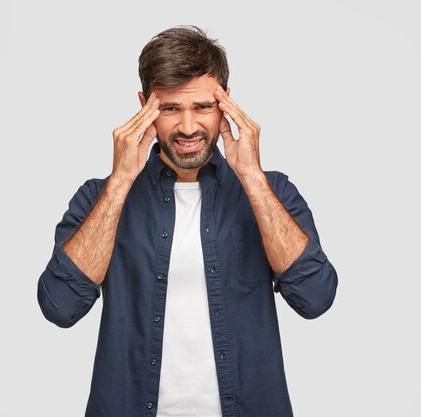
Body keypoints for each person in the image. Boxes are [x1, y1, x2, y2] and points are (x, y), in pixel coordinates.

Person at [37, 26, 338, 417]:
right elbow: (60, 306)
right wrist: (121, 180)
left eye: (203, 107)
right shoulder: (100, 198)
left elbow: (315, 298)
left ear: (226, 103)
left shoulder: (272, 192)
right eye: (169, 109)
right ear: (144, 106)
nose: (188, 127)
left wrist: (251, 176)